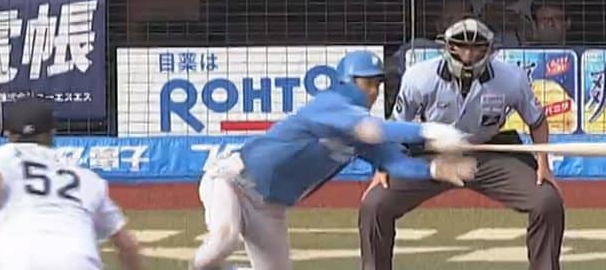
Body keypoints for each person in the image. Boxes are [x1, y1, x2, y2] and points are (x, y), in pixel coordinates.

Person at [189, 50, 477, 270]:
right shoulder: (330, 104)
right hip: (233, 181)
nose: (373, 92)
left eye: (377, 84)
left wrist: (435, 169)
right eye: (367, 83)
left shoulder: (359, 126)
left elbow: (393, 161)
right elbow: (373, 130)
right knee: (224, 239)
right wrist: (428, 131)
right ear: (347, 81)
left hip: (271, 207)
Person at [359, 18, 565, 270]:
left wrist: (543, 164)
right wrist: (384, 166)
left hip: (487, 151)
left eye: (477, 48)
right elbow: (396, 125)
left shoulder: (512, 78)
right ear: (447, 46)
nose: (468, 55)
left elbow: (537, 120)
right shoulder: (418, 77)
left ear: (490, 49)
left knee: (547, 201)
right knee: (375, 204)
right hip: (431, 154)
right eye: (461, 47)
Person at [0, 96, 143, 269]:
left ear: (9, 134)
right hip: (79, 262)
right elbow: (127, 244)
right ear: (52, 133)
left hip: (18, 260)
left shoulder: (2, 155)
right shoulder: (84, 175)